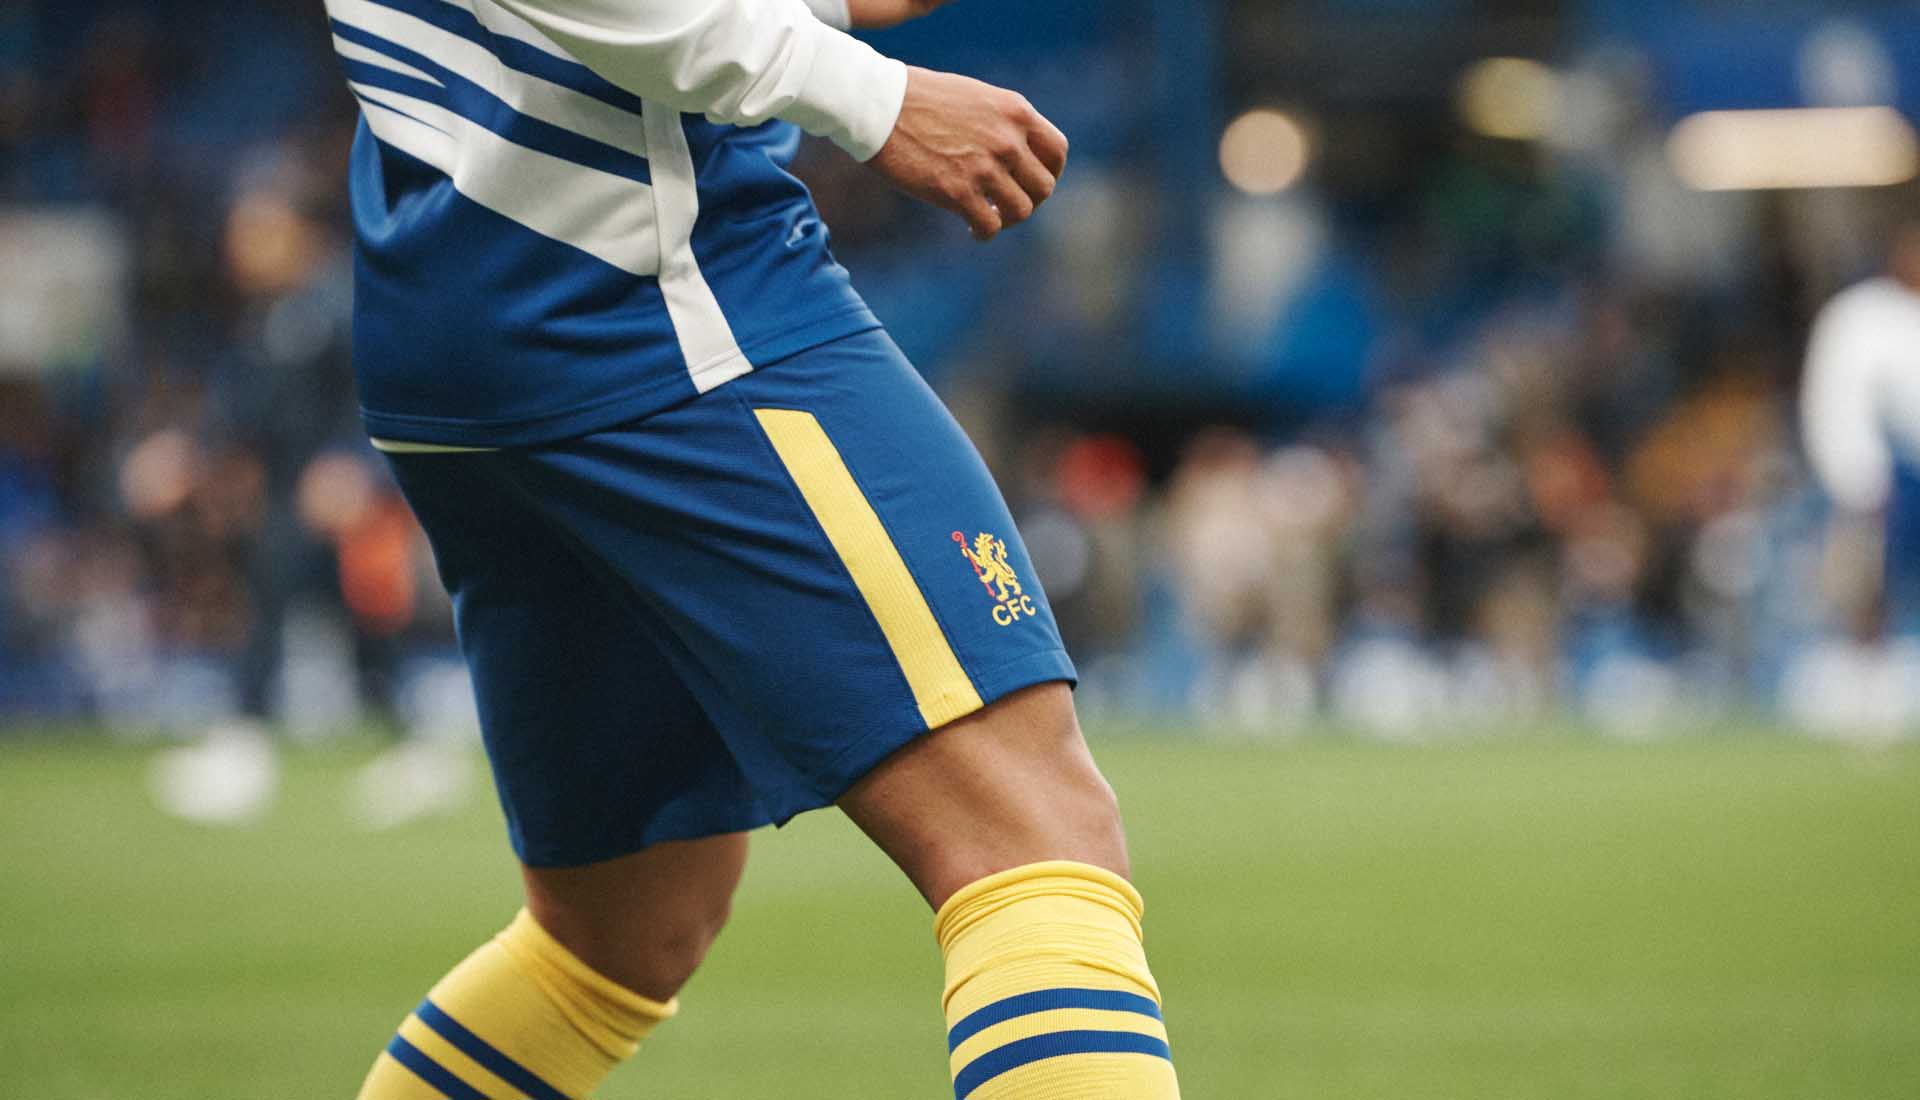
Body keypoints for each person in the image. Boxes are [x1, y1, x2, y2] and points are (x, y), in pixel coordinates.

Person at [323, 0, 1183, 1097]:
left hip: (462, 307)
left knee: (620, 931)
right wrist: (873, 92)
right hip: (645, 292)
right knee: (1033, 831)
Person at [1802, 220, 1920, 640]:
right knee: (1867, 594)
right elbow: (1835, 403)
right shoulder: (1860, 315)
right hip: (1883, 483)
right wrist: (1857, 479)